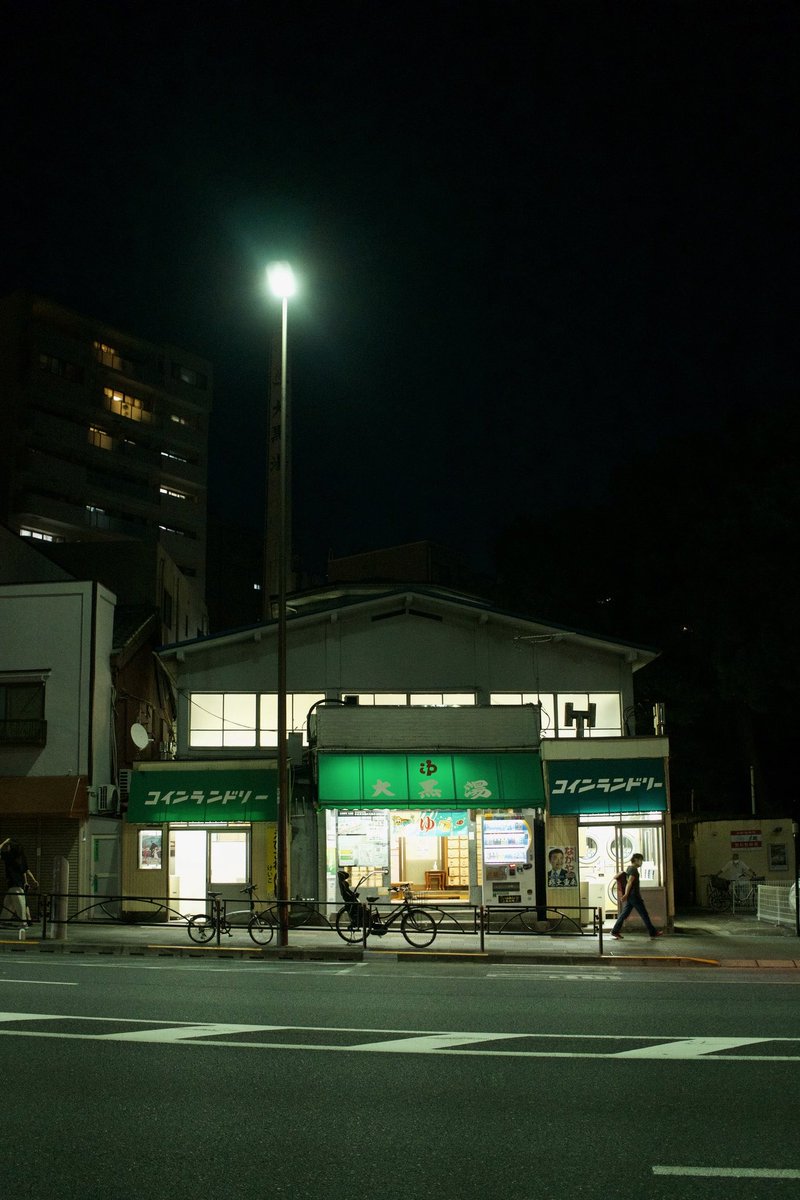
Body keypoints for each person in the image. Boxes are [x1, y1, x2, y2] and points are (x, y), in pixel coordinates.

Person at [611, 853, 662, 940]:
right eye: (641, 860)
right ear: (636, 860)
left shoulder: (629, 868)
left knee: (625, 914)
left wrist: (627, 894)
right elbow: (629, 883)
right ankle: (653, 932)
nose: (641, 862)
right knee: (644, 914)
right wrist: (626, 894)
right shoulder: (633, 870)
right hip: (634, 896)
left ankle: (615, 931)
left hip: (632, 896)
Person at [0, 836, 38, 924]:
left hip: (14, 884)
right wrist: (31, 880)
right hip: (17, 884)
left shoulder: (9, 856)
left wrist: (5, 842)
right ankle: (3, 920)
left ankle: (24, 923)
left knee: (20, 904)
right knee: (8, 904)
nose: (7, 847)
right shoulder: (21, 857)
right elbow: (25, 870)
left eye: (8, 846)